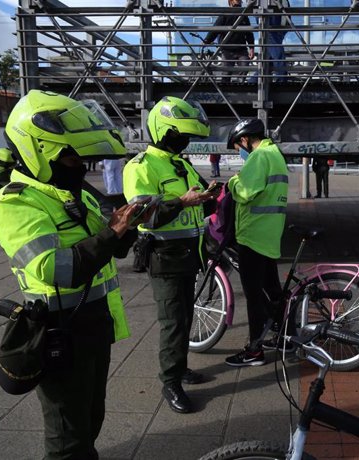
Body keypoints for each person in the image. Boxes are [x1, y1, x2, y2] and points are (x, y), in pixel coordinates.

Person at [0, 90, 144, 459]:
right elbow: (60, 269)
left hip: (94, 326)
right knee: (66, 437)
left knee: (90, 419)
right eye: (71, 157)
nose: (79, 166)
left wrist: (128, 225)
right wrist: (113, 233)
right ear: (38, 151)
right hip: (59, 331)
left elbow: (112, 247)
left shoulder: (70, 192)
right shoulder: (14, 202)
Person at [123, 96, 218, 414]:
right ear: (164, 132)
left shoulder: (182, 163)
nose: (186, 142)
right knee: (173, 322)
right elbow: (142, 216)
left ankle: (180, 368)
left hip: (190, 255)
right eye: (181, 136)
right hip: (164, 256)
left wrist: (210, 196)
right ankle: (170, 381)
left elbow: (200, 202)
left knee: (185, 317)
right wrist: (183, 202)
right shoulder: (140, 166)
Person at [224, 118, 289, 367]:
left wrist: (232, 182)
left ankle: (254, 350)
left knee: (253, 295)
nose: (239, 152)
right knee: (272, 290)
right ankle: (287, 337)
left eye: (237, 147)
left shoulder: (259, 157)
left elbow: (244, 191)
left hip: (253, 234)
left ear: (244, 140)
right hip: (270, 232)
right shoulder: (275, 154)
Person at [204, 0, 255, 83]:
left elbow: (249, 33)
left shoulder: (244, 16)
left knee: (244, 68)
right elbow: (215, 29)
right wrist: (207, 40)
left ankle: (241, 87)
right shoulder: (225, 15)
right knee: (226, 73)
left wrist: (251, 48)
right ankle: (225, 90)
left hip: (241, 49)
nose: (238, 2)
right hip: (227, 49)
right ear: (230, 2)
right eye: (236, 0)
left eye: (239, 1)